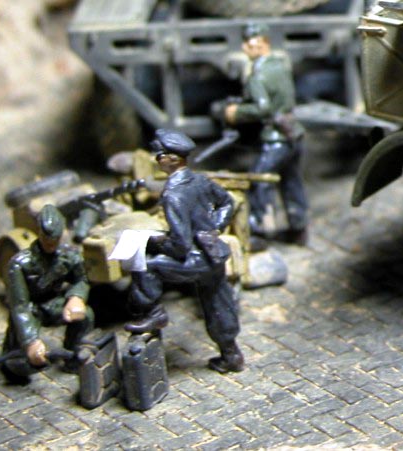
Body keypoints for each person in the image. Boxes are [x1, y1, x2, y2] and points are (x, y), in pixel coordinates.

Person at [125, 129, 244, 373]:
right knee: (217, 299)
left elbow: (180, 246)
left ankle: (154, 313)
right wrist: (214, 228)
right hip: (213, 252)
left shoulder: (173, 195)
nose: (157, 160)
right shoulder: (200, 180)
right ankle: (231, 354)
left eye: (159, 155)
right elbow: (226, 202)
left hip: (195, 258)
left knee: (147, 265)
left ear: (171, 159)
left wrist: (156, 242)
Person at [224, 22, 309, 245]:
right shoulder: (279, 66)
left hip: (276, 137)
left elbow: (263, 108)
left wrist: (236, 112)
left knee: (259, 180)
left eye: (249, 44)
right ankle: (299, 227)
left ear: (263, 44)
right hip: (293, 133)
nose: (245, 48)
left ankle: (259, 230)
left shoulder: (258, 74)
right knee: (291, 181)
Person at [1, 204, 93, 381]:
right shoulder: (20, 264)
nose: (50, 243)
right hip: (31, 309)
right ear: (39, 233)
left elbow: (80, 279)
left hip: (54, 303)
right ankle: (18, 366)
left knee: (86, 315)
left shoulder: (69, 256)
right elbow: (19, 306)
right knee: (19, 361)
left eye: (55, 239)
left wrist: (76, 297)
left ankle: (73, 356)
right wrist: (31, 341)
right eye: (46, 238)